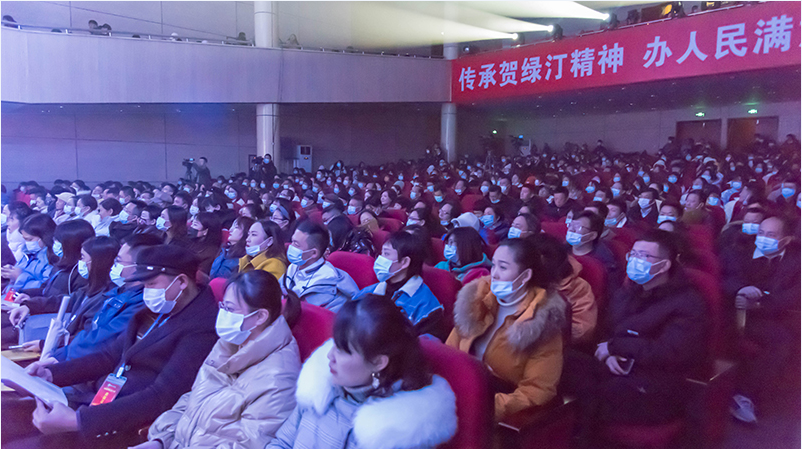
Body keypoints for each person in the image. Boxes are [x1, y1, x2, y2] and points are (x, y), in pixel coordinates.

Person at [7, 245, 218, 449]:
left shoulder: (202, 327)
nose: (146, 292)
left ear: (181, 282)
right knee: (9, 413)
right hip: (102, 400)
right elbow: (109, 356)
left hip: (130, 422)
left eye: (151, 284)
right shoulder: (158, 309)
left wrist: (79, 421)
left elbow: (163, 395)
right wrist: (52, 373)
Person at [266, 295, 458, 449]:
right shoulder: (320, 387)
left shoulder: (400, 433)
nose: (329, 356)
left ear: (378, 362)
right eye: (334, 344)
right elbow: (282, 442)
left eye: (343, 351)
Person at [137, 271, 301, 449]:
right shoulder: (230, 343)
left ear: (260, 317)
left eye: (230, 309)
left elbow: (248, 444)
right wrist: (161, 440)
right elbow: (193, 399)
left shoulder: (279, 379)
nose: (222, 314)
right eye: (223, 306)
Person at [574, 230, 707, 448]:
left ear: (664, 266)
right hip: (616, 366)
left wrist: (616, 347)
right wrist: (608, 354)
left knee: (592, 397)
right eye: (633, 254)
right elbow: (606, 331)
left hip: (658, 382)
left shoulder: (687, 302)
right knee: (566, 364)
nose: (635, 260)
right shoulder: (627, 292)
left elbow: (670, 352)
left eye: (644, 256)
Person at [446, 238, 567, 421]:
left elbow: (537, 391)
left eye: (503, 268)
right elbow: (450, 353)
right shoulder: (476, 300)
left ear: (525, 276)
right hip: (456, 394)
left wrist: (480, 408)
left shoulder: (541, 323)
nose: (494, 274)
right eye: (493, 265)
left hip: (493, 408)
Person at [721, 215, 800, 424]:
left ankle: (752, 395)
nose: (764, 238)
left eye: (771, 235)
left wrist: (760, 304)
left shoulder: (796, 262)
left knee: (783, 337)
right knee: (779, 339)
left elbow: (793, 295)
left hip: (774, 315)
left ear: (786, 239)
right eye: (761, 233)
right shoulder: (737, 250)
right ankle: (741, 395)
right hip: (736, 314)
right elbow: (724, 279)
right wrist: (741, 289)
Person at [50, 233, 163, 362]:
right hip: (78, 357)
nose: (114, 265)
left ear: (139, 266)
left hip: (90, 362)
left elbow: (102, 341)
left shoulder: (142, 303)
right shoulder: (118, 292)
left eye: (119, 261)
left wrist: (58, 357)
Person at [14, 236, 119, 353]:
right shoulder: (89, 289)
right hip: (64, 348)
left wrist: (46, 344)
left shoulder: (106, 298)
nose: (80, 262)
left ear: (97, 262)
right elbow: (61, 301)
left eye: (83, 257)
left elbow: (87, 339)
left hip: (72, 353)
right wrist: (29, 305)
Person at [2, 220, 95, 346]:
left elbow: (67, 302)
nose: (54, 244)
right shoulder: (62, 265)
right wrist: (27, 296)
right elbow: (46, 288)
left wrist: (32, 304)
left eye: (58, 241)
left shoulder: (82, 273)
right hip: (39, 308)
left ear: (70, 244)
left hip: (47, 319)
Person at [356, 232, 445, 338]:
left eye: (386, 254)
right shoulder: (371, 291)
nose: (380, 259)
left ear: (404, 262)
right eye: (381, 253)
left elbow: (426, 345)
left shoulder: (427, 306)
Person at [280, 220, 358, 312]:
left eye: (296, 244)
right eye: (292, 241)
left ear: (313, 253)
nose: (291, 247)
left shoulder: (329, 285)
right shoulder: (293, 267)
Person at [2, 213, 58, 293]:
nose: (27, 243)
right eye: (25, 239)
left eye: (30, 239)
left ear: (45, 236)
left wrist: (20, 276)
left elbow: (46, 289)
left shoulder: (52, 259)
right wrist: (10, 272)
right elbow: (12, 286)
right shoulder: (26, 254)